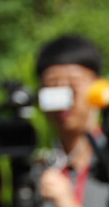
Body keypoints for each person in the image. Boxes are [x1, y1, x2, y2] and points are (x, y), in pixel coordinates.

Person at [36, 35, 109, 207]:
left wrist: (67, 202)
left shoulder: (104, 164)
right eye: (53, 85)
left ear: (98, 87)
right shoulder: (38, 169)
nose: (65, 99)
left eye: (73, 85)